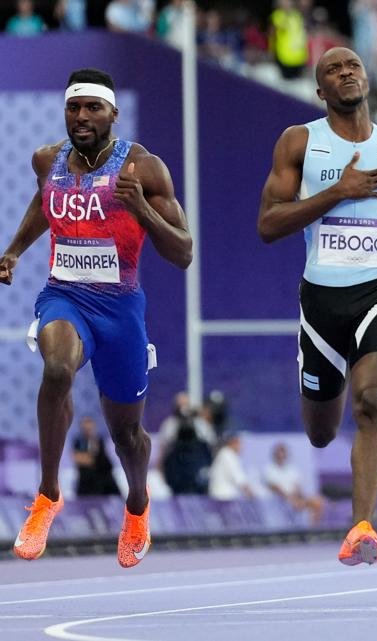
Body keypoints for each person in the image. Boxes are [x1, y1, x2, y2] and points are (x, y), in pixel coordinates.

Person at [0, 68, 193, 567]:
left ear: (113, 114)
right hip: (64, 295)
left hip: (121, 308)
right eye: (73, 107)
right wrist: (15, 250)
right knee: (58, 368)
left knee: (127, 435)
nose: (81, 117)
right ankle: (47, 496)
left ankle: (137, 504)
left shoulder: (145, 169)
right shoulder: (48, 160)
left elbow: (185, 252)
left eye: (92, 108)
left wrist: (143, 211)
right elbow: (46, 205)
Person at [257, 46, 377, 566]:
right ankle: (313, 377)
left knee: (373, 400)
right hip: (321, 304)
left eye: (352, 65)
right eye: (332, 70)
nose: (345, 72)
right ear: (321, 91)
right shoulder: (300, 142)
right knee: (321, 431)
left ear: (367, 78)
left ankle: (361, 529)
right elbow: (268, 225)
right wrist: (340, 190)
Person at [262, 442, 325, 526]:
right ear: (275, 455)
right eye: (279, 454)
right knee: (298, 504)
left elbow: (298, 486)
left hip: (294, 497)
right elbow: (275, 488)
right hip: (281, 500)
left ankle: (313, 528)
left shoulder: (291, 469)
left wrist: (300, 496)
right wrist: (290, 498)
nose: (281, 456)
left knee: (318, 502)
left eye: (283, 454)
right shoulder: (269, 469)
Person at [72, 415, 121, 497]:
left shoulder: (99, 441)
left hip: (103, 478)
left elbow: (100, 460)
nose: (88, 430)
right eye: (86, 428)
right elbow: (78, 458)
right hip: (86, 480)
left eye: (90, 428)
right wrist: (89, 458)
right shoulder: (78, 442)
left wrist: (89, 458)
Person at [208, 431, 254, 501]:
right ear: (232, 443)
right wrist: (251, 494)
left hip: (224, 496)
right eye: (239, 443)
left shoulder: (226, 454)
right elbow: (238, 478)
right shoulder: (228, 455)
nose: (241, 447)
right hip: (223, 497)